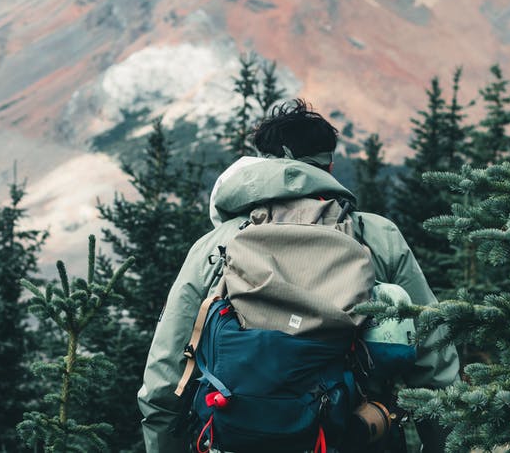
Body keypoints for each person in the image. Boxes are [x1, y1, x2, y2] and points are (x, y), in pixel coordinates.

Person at [137, 99, 460, 452]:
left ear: (261, 163)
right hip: (351, 436)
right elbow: (434, 360)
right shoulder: (376, 236)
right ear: (330, 165)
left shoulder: (217, 245)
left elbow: (165, 374)